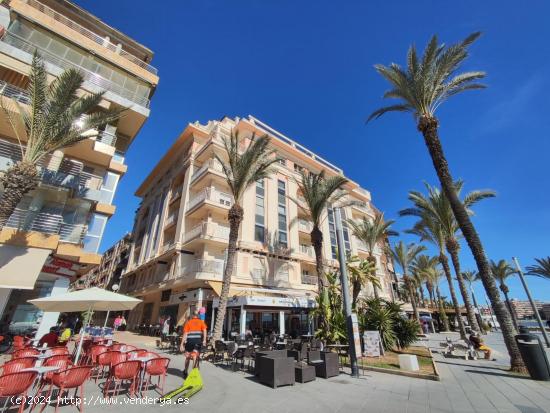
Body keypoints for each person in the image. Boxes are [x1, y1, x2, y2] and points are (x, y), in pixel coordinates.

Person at [179, 310, 207, 379]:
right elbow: (204, 330)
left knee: (187, 357)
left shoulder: (188, 322)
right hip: (197, 342)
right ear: (198, 316)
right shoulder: (201, 322)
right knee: (195, 357)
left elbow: (185, 334)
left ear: (192, 315)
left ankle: (185, 372)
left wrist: (181, 344)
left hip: (189, 342)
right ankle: (193, 374)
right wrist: (204, 340)